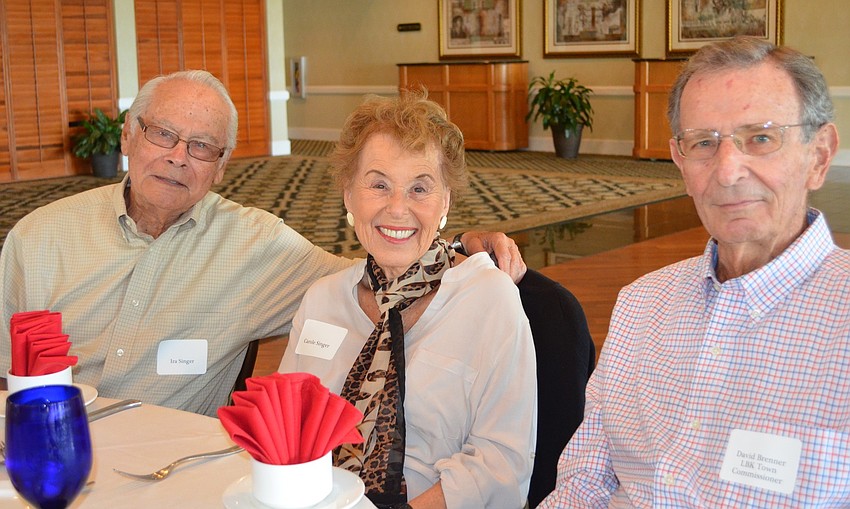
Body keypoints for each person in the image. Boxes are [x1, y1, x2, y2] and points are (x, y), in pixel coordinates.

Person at [0, 70, 525, 417]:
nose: (179, 156)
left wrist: (459, 245)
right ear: (129, 136)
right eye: (162, 134)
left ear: (223, 165)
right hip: (49, 453)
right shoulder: (39, 238)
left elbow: (377, 267)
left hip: (174, 473)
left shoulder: (255, 246)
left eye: (203, 146)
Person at [541, 36, 849, 508]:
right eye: (704, 143)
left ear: (820, 155)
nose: (727, 171)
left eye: (761, 138)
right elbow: (585, 477)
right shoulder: (642, 303)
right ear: (682, 162)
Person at [279, 91, 537, 508]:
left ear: (446, 202)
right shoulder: (322, 300)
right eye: (378, 184)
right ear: (349, 195)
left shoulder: (489, 299)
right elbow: (283, 432)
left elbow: (500, 466)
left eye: (420, 188)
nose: (397, 208)